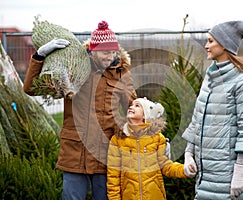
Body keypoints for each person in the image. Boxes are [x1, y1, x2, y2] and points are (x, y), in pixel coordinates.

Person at [23, 20, 137, 200]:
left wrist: (151, 135)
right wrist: (40, 56)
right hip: (75, 153)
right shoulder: (73, 67)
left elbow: (135, 110)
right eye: (106, 52)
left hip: (106, 154)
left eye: (113, 52)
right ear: (93, 50)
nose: (110, 56)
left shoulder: (121, 74)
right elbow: (31, 89)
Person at [182, 21, 243, 200]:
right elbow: (197, 119)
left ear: (224, 45)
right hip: (204, 177)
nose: (206, 46)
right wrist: (189, 153)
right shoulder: (209, 78)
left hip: (228, 178)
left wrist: (239, 174)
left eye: (210, 41)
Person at [106, 97, 197, 199]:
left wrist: (184, 170)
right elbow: (113, 175)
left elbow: (166, 165)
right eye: (131, 105)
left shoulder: (157, 138)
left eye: (137, 106)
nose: (131, 107)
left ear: (146, 115)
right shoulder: (117, 140)